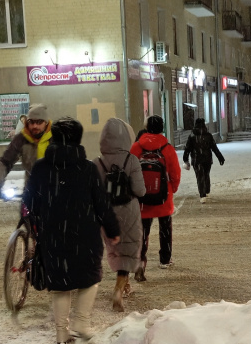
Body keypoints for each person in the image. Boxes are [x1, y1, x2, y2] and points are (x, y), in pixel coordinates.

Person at [24, 117, 120, 344]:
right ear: (78, 138)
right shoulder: (87, 168)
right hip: (84, 233)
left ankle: (61, 333)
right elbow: (101, 203)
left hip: (52, 234)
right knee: (90, 278)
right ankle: (82, 323)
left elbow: (29, 202)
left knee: (60, 282)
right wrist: (112, 229)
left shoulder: (40, 168)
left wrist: (35, 225)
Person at [96, 118, 145, 312]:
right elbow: (140, 190)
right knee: (130, 248)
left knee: (114, 248)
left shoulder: (97, 162)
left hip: (106, 212)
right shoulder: (131, 160)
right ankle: (120, 287)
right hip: (129, 209)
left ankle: (123, 285)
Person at [130, 115, 181, 277]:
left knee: (142, 230)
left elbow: (129, 170)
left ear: (146, 128)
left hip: (142, 197)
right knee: (165, 228)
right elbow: (175, 172)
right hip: (163, 196)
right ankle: (165, 259)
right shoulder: (167, 148)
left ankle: (140, 259)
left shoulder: (137, 147)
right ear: (162, 128)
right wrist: (173, 188)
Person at [0, 104, 52, 198]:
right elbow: (5, 162)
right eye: (31, 122)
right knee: (27, 212)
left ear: (46, 123)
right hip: (31, 191)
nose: (35, 126)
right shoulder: (21, 139)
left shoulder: (55, 137)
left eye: (39, 122)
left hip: (53, 191)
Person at [182, 118, 225, 204]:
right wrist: (220, 157)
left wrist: (185, 159)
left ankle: (202, 195)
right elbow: (214, 148)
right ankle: (207, 190)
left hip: (196, 159)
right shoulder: (208, 135)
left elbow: (187, 149)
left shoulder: (192, 136)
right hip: (207, 159)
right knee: (206, 174)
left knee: (200, 176)